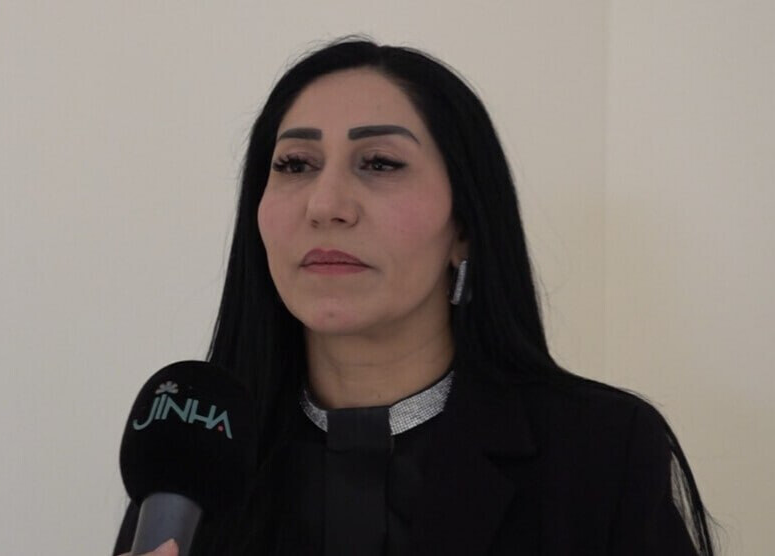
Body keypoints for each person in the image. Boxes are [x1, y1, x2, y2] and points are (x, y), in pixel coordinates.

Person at [115, 37, 716, 555]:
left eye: (379, 163)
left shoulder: (599, 453)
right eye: (295, 164)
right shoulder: (195, 459)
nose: (326, 205)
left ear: (465, 226)